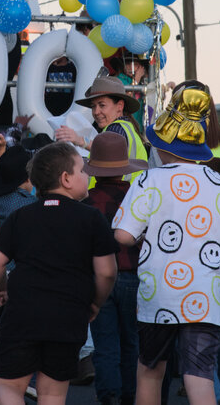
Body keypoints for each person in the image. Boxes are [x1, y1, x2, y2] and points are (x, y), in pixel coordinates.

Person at [114, 85, 220, 405]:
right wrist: (216, 263)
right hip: (205, 297)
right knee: (199, 374)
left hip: (157, 292)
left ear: (164, 147)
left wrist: (142, 239)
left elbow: (122, 235)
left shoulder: (150, 180)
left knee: (151, 370)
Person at [0, 140, 119, 405]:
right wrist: (95, 303)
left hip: (22, 312)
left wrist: (2, 288)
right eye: (83, 170)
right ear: (66, 178)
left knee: (9, 388)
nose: (87, 175)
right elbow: (106, 273)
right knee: (52, 394)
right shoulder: (91, 218)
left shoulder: (22, 216)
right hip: (68, 315)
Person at [84, 132, 147, 405]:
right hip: (134, 275)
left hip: (98, 276)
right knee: (132, 342)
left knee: (105, 342)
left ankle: (107, 393)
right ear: (124, 169)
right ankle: (130, 393)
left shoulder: (86, 203)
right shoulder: (136, 197)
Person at [56, 76, 148, 184]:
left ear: (120, 106)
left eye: (102, 105)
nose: (96, 112)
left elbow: (107, 153)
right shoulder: (126, 127)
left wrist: (80, 141)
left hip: (114, 198)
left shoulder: (115, 128)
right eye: (93, 106)